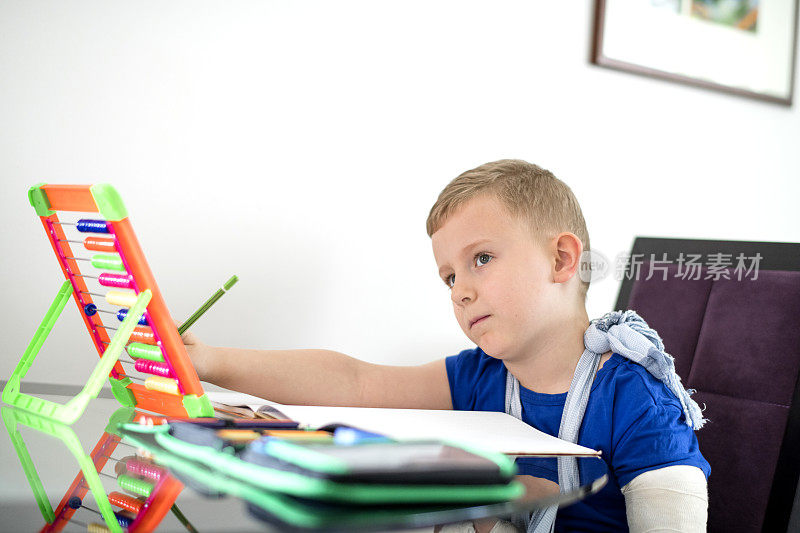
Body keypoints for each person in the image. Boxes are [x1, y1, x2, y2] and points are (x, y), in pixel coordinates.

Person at [183, 159, 710, 532]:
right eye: (448, 276)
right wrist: (210, 361)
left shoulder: (635, 392)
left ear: (562, 260)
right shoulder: (480, 376)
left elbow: (673, 517)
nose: (461, 290)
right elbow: (357, 382)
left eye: (481, 258)